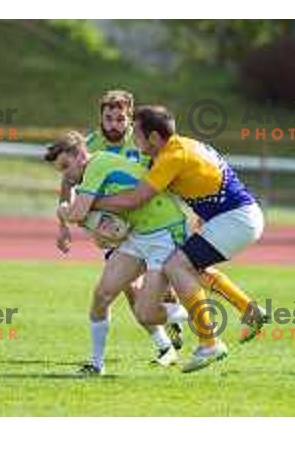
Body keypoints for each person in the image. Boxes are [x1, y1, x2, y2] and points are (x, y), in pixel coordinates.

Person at [93, 105, 267, 372]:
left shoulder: (172, 157)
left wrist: (91, 203)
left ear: (152, 137)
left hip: (235, 219)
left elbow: (136, 198)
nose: (133, 139)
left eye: (137, 134)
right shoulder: (179, 146)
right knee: (190, 268)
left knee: (177, 266)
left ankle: (210, 343)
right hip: (235, 216)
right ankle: (248, 309)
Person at [46, 131, 191, 375]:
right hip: (138, 235)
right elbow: (102, 228)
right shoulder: (92, 170)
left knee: (146, 312)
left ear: (80, 154)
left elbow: (78, 213)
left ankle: (195, 312)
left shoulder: (96, 165)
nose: (66, 175)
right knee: (102, 296)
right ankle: (96, 364)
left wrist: (63, 212)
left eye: (66, 166)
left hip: (164, 232)